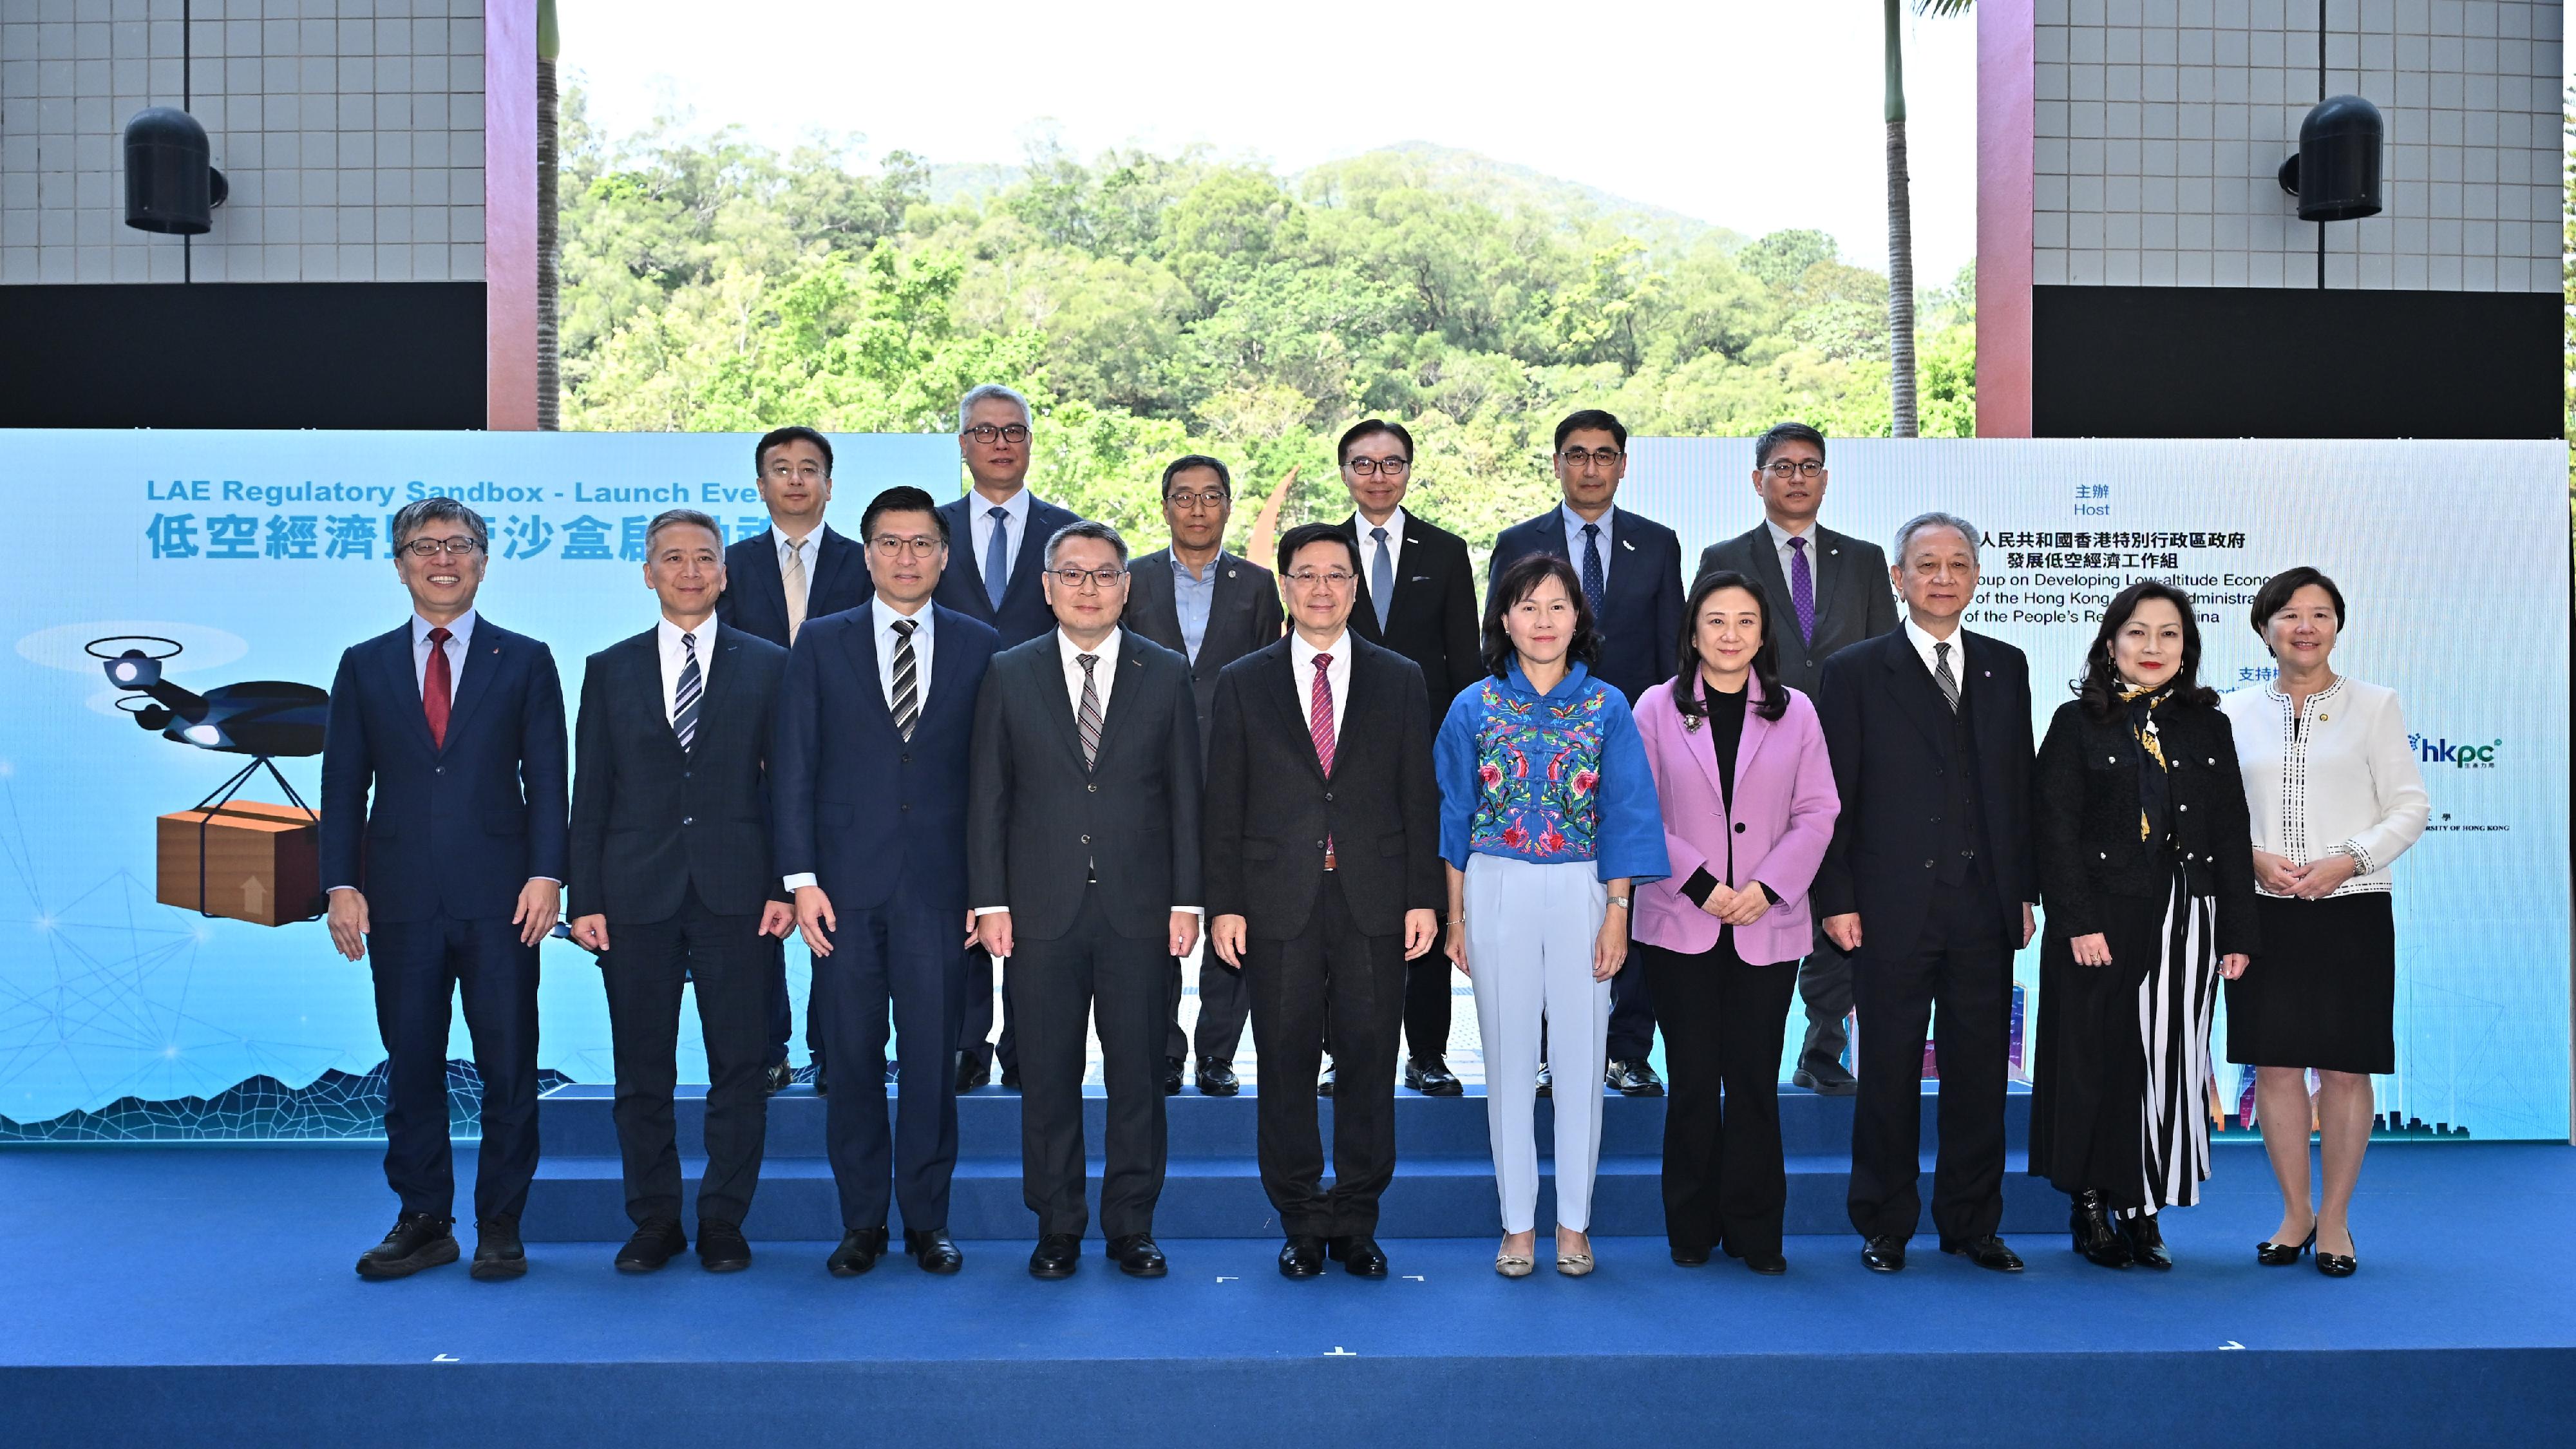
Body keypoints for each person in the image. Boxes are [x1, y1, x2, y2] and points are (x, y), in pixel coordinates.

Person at [321, 497, 567, 1282]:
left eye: (458, 544)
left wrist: (547, 874)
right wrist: (340, 884)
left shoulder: (525, 659)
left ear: (484, 561)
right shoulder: (363, 663)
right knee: (413, 1064)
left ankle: (501, 1221)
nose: (442, 558)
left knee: (508, 1065)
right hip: (396, 901)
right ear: (399, 566)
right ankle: (424, 1219)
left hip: (503, 901)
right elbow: (342, 786)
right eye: (423, 547)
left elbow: (549, 782)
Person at [1204, 523, 1443, 1281]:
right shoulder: (1244, 680)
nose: (1321, 588)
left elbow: (1419, 793)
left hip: (1374, 899)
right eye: (1304, 574)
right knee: (1283, 1060)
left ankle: (1359, 1219)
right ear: (1283, 586)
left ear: (1354, 586)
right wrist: (1225, 904)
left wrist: (1422, 898)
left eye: (1337, 575)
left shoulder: (1400, 677)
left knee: (1372, 1061)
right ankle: (1303, 1218)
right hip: (1276, 901)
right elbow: (1223, 803)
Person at [773, 487, 1000, 1278]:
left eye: (922, 544)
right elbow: (795, 765)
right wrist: (800, 878)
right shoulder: (821, 641)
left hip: (942, 893)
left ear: (944, 555)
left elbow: (991, 779)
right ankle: (861, 1222)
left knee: (936, 1065)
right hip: (842, 890)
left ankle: (928, 1222)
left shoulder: (981, 645)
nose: (907, 558)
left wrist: (988, 887)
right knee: (853, 1060)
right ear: (866, 554)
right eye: (890, 544)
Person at [968, 520, 1202, 1280]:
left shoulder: (1165, 672)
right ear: (1047, 587)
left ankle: (1131, 1225)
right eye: (1073, 575)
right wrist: (990, 899)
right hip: (1038, 911)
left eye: (1105, 574)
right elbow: (988, 798)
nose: (1089, 588)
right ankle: (1058, 1225)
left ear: (1126, 588)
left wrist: (1188, 901)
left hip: (1140, 908)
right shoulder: (1009, 671)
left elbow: (1184, 799)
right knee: (1046, 1074)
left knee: (1139, 1074)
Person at [567, 509, 795, 1274]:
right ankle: (654, 1219)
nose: (690, 571)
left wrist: (784, 885)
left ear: (725, 573)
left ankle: (725, 1219)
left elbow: (788, 788)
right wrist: (585, 897)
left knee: (739, 1066)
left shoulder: (769, 664)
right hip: (634, 896)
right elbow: (590, 792)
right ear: (647, 572)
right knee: (642, 1071)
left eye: (704, 558)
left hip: (741, 893)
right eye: (673, 558)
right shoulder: (608, 666)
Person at [1814, 511, 2034, 1275]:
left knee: (1980, 1072)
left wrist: (2023, 893)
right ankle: (1884, 1221)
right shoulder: (1851, 671)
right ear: (1897, 578)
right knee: (1888, 1072)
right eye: (1927, 564)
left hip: (1983, 905)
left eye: (1958, 564)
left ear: (1976, 576)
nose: (1943, 577)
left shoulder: (2007, 666)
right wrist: (1835, 897)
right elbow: (1832, 797)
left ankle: (1971, 1222)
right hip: (1884, 908)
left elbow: (2015, 787)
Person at [1437, 554, 1667, 1278]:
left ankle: (1573, 1223)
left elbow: (1626, 814)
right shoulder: (1471, 706)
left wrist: (1618, 913)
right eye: (1527, 607)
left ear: (1579, 620)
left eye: (1557, 607)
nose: (1542, 621)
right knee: (1506, 1059)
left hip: (1583, 888)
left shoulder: (1608, 707)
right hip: (1495, 885)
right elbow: (1454, 814)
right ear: (1503, 619)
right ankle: (1516, 1226)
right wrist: (1454, 916)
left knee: (1579, 1058)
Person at [2028, 580, 2257, 1272]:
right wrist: (2075, 920)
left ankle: (2145, 1205)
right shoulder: (2076, 722)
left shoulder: (2207, 726)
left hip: (2187, 919)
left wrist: (2238, 932)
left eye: (2168, 634)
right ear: (2109, 643)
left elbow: (2229, 830)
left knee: (2167, 1062)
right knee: (2095, 1058)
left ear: (2187, 649)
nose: (2152, 647)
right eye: (2137, 632)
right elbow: (2054, 830)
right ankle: (2092, 1201)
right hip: (2101, 918)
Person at [2220, 567, 2428, 1279]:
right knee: (2273, 1066)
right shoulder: (2231, 710)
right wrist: (2248, 860)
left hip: (2352, 908)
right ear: (2263, 626)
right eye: (2287, 614)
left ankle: (2335, 1219)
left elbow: (2409, 807)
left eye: (2319, 614)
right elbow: (2215, 817)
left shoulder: (2375, 706)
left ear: (2337, 625)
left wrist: (2349, 858)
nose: (2303, 626)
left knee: (2344, 1069)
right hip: (2262, 911)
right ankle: (2293, 1213)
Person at [1629, 571, 1838, 1274]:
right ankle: (1690, 1230)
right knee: (1690, 1079)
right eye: (1714, 621)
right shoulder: (1655, 708)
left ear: (1762, 633)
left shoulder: (1797, 712)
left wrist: (1766, 886)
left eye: (1744, 622)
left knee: (1752, 1079)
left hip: (1766, 922)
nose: (1729, 635)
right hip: (1679, 918)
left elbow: (1818, 813)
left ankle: (1756, 1233)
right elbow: (1638, 810)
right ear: (1692, 632)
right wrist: (1701, 884)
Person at [1488, 408, 1686, 1099]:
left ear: (1623, 464)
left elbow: (1671, 659)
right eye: (1577, 454)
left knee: (1625, 893)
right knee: (1547, 904)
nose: (1591, 467)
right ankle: (1547, 1053)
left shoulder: (1658, 545)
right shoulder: (1518, 542)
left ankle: (1627, 1049)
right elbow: (1496, 646)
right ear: (1557, 463)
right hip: (1538, 756)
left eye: (1605, 454)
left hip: (1628, 745)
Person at [1698, 422, 1896, 1097]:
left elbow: (1884, 662)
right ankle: (1737, 1046)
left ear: (1825, 478)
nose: (1796, 478)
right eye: (1782, 467)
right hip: (1750, 758)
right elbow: (1707, 652)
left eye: (1810, 466)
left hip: (1845, 756)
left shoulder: (1864, 559)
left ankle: (1822, 1049)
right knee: (1758, 894)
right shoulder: (1724, 556)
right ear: (1759, 480)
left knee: (1837, 901)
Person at [1121, 455, 1285, 1097]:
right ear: (1164, 505)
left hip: (1234, 773)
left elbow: (1269, 677)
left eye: (1210, 497)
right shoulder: (1129, 579)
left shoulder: (1257, 584)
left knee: (1230, 913)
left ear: (1227, 505)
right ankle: (1162, 1048)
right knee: (1151, 917)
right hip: (1147, 773)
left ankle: (1217, 1051)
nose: (1197, 509)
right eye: (1183, 497)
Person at [936, 384, 1085, 1093]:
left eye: (1014, 430)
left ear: (1030, 442)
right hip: (941, 744)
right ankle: (965, 1041)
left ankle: (1031, 1041)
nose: (1000, 442)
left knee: (1038, 894)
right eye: (984, 431)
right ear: (961, 444)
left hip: (1047, 753)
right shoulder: (923, 535)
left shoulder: (1072, 536)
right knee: (959, 892)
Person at [717, 424, 871, 1095]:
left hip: (843, 770)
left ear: (829, 486)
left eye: (810, 468)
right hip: (748, 770)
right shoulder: (730, 565)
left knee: (835, 917)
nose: (796, 479)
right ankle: (769, 1049)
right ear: (761, 486)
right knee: (762, 917)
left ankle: (833, 1050)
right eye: (781, 469)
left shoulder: (868, 562)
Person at [1334, 418, 1480, 1098]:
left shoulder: (1446, 552)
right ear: (1344, 473)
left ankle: (1428, 1054)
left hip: (1426, 760)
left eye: (1391, 463)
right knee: (1343, 907)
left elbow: (1464, 664)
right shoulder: (1322, 551)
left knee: (1427, 901)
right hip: (1336, 761)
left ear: (1409, 471)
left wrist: (1455, 760)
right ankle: (1347, 1054)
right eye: (1363, 464)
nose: (1378, 475)